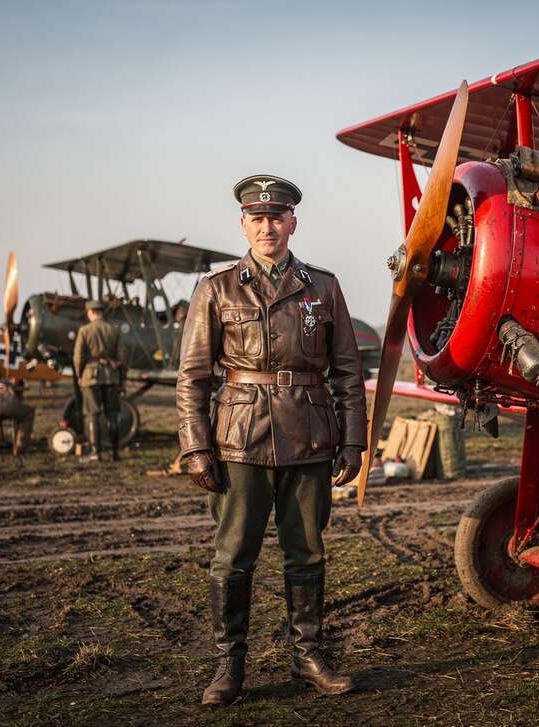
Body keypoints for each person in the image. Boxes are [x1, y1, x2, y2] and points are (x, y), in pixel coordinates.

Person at [176, 174, 367, 706]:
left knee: (305, 551)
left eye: (276, 217)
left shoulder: (322, 287)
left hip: (309, 436)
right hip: (239, 440)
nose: (267, 227)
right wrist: (196, 447)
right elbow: (192, 377)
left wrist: (353, 442)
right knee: (233, 556)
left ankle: (308, 656)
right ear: (243, 224)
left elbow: (348, 372)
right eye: (257, 218)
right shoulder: (215, 289)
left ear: (292, 223)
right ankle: (228, 667)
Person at [72, 300, 126, 461]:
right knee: (113, 415)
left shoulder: (84, 330)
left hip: (90, 377)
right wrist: (122, 378)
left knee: (92, 415)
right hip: (111, 377)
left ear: (90, 313)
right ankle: (115, 453)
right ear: (101, 313)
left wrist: (79, 375)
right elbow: (122, 356)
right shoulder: (114, 330)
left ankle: (96, 453)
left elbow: (78, 357)